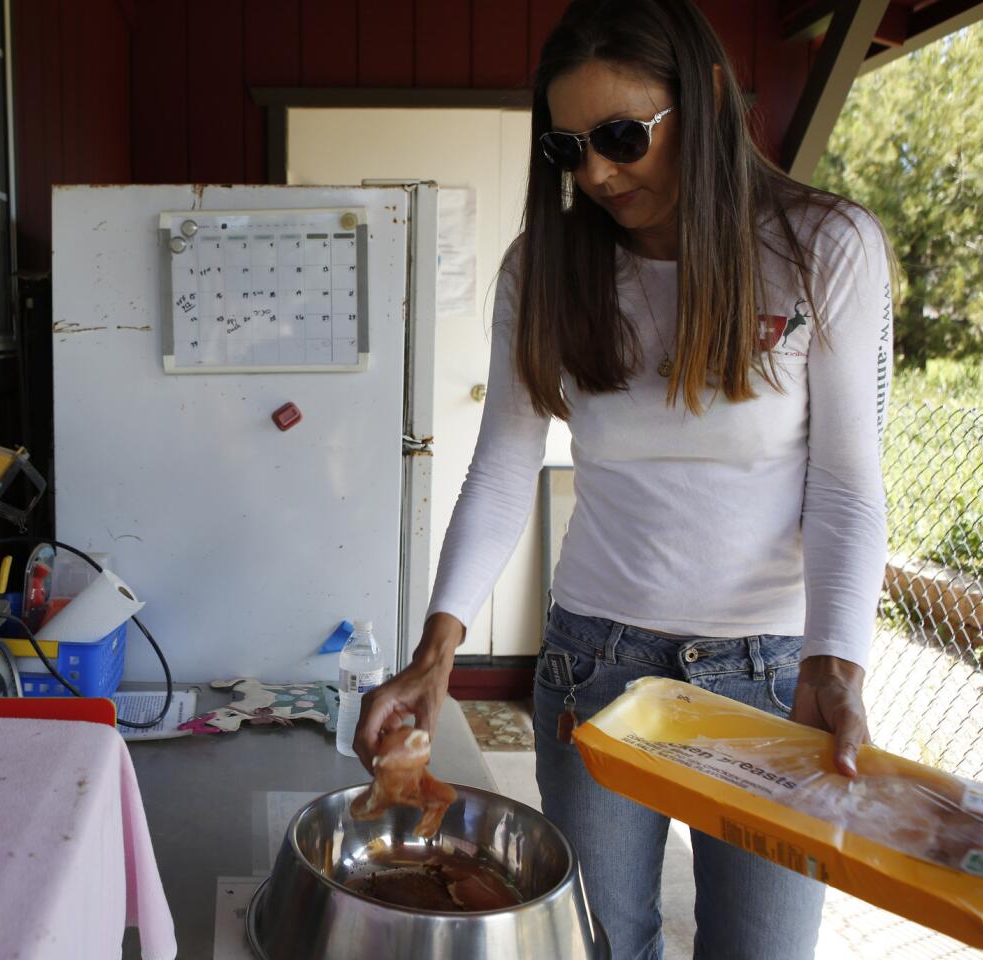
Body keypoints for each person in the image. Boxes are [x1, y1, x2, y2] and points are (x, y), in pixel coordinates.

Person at [353, 0, 895, 957]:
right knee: (599, 941)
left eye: (620, 135)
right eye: (568, 148)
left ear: (709, 100)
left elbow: (847, 486)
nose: (597, 172)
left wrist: (836, 661)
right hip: (593, 665)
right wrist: (437, 649)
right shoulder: (546, 265)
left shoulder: (822, 250)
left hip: (769, 675)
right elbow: (501, 466)